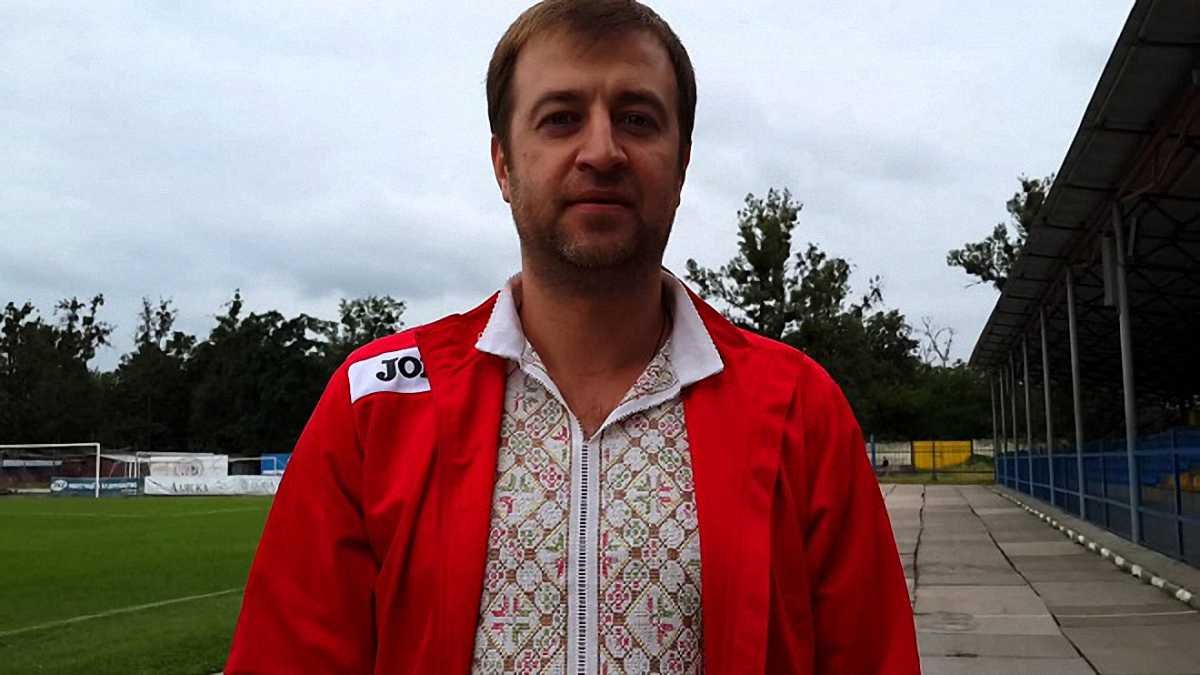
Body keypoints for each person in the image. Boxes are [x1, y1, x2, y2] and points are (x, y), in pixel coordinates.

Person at [225, 1, 919, 673]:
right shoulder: (376, 407)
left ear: (681, 165)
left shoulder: (799, 407)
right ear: (503, 164)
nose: (602, 151)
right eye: (561, 119)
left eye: (637, 119)